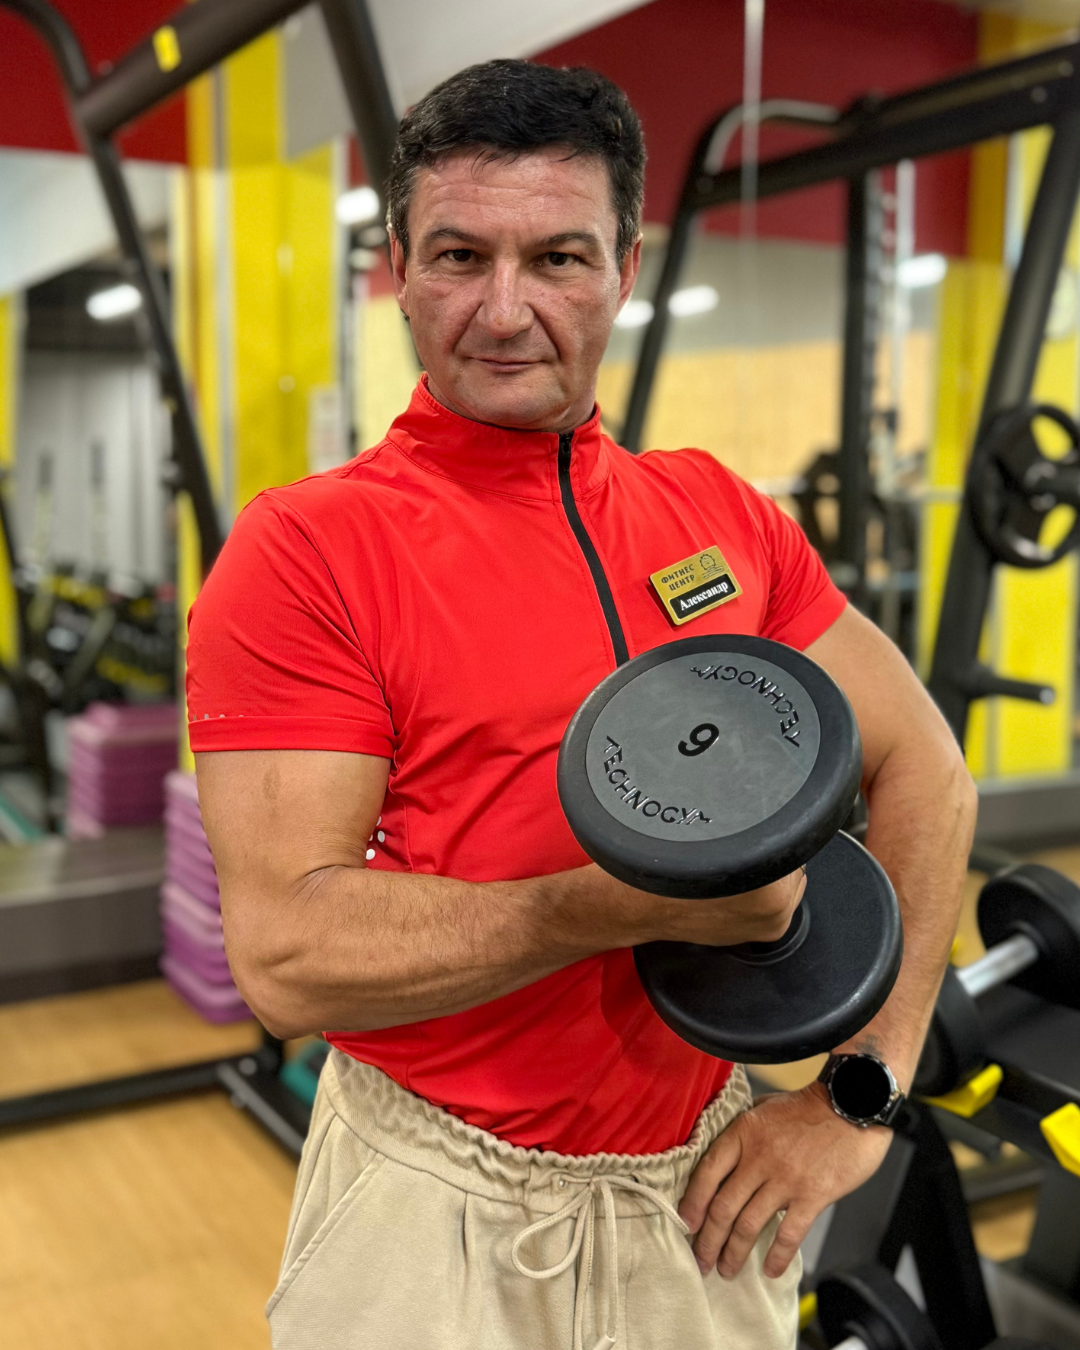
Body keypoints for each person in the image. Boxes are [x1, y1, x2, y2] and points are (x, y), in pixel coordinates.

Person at [188, 59, 976, 1350]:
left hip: (704, 1196)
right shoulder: (308, 550)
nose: (504, 312)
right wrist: (608, 906)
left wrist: (860, 1090)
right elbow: (284, 955)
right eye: (459, 256)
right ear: (400, 267)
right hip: (436, 1203)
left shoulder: (717, 513)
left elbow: (927, 770)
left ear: (625, 267)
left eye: (557, 258)